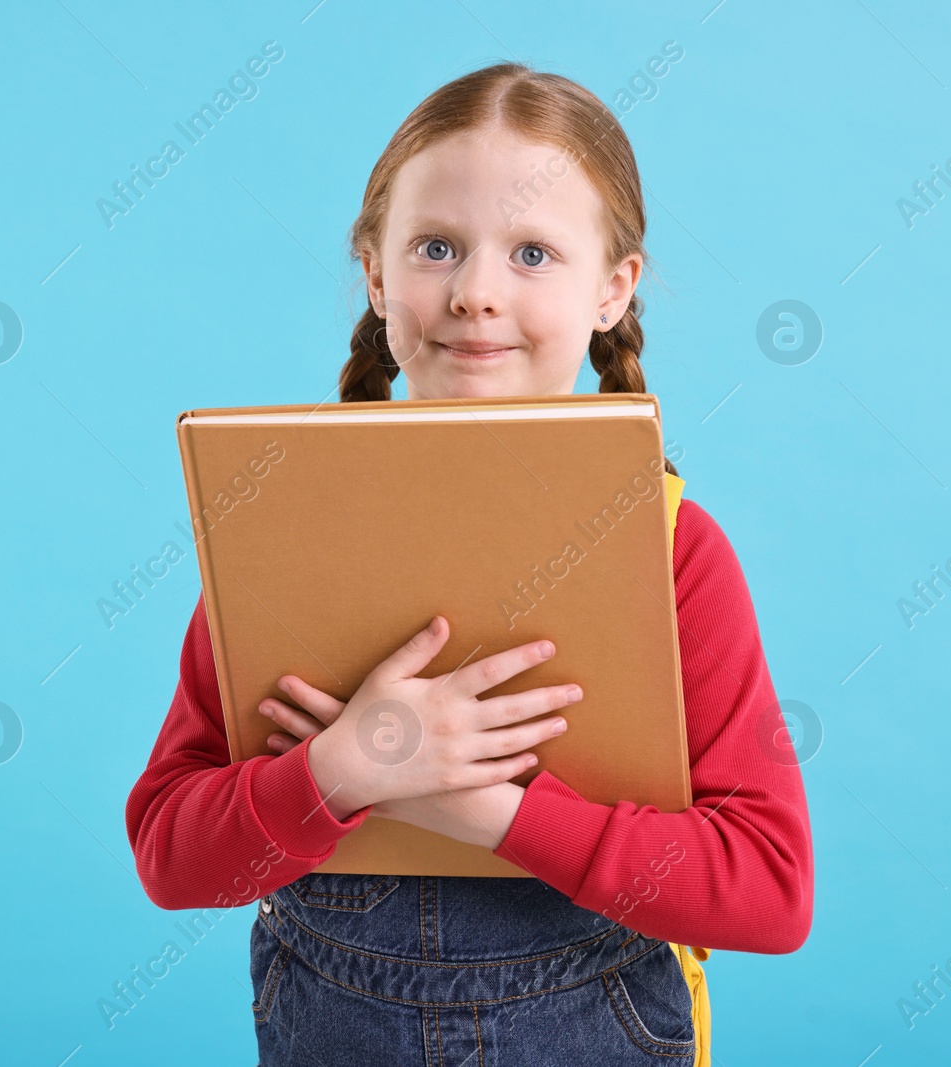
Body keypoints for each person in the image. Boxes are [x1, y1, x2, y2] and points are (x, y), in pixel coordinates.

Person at [125, 61, 813, 1066]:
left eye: (532, 252)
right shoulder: (280, 527)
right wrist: (340, 768)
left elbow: (768, 887)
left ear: (612, 289)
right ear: (374, 272)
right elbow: (172, 855)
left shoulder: (673, 546)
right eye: (434, 247)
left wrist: (488, 811)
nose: (475, 294)